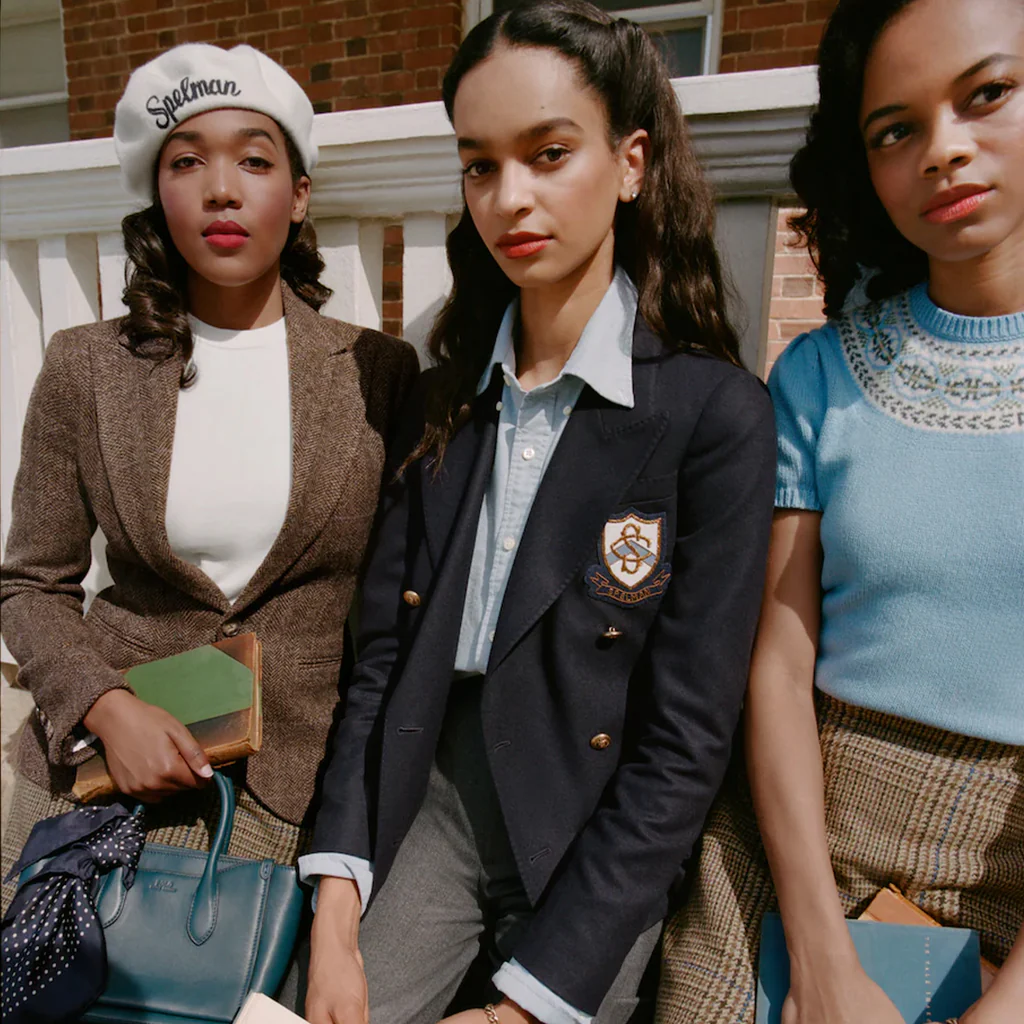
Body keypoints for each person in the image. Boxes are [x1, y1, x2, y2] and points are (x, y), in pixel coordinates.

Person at [297, 4, 777, 1024]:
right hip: (430, 798)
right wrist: (333, 911)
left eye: (549, 152)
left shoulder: (710, 416)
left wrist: (527, 1006)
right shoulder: (445, 403)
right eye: (479, 164)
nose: (509, 197)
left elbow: (686, 741)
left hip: (593, 828)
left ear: (631, 160)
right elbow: (380, 663)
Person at [659, 1, 1024, 1021]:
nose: (943, 151)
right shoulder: (821, 375)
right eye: (895, 129)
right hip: (795, 832)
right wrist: (819, 952)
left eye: (986, 94)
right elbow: (775, 657)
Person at [0, 42, 418, 923]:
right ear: (160, 191)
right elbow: (31, 584)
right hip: (102, 765)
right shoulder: (87, 367)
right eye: (187, 161)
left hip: (291, 779)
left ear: (297, 195)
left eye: (255, 161)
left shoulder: (377, 371)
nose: (221, 189)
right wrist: (104, 706)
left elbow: (400, 605)